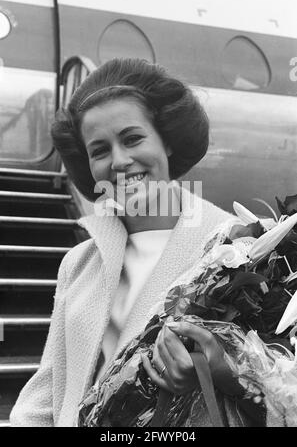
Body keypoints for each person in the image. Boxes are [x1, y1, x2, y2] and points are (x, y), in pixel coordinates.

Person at [10, 58, 248, 427]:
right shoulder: (78, 262)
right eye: (100, 150)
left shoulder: (236, 250)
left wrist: (221, 370)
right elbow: (44, 395)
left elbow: (279, 380)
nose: (119, 161)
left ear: (167, 141)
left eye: (132, 138)